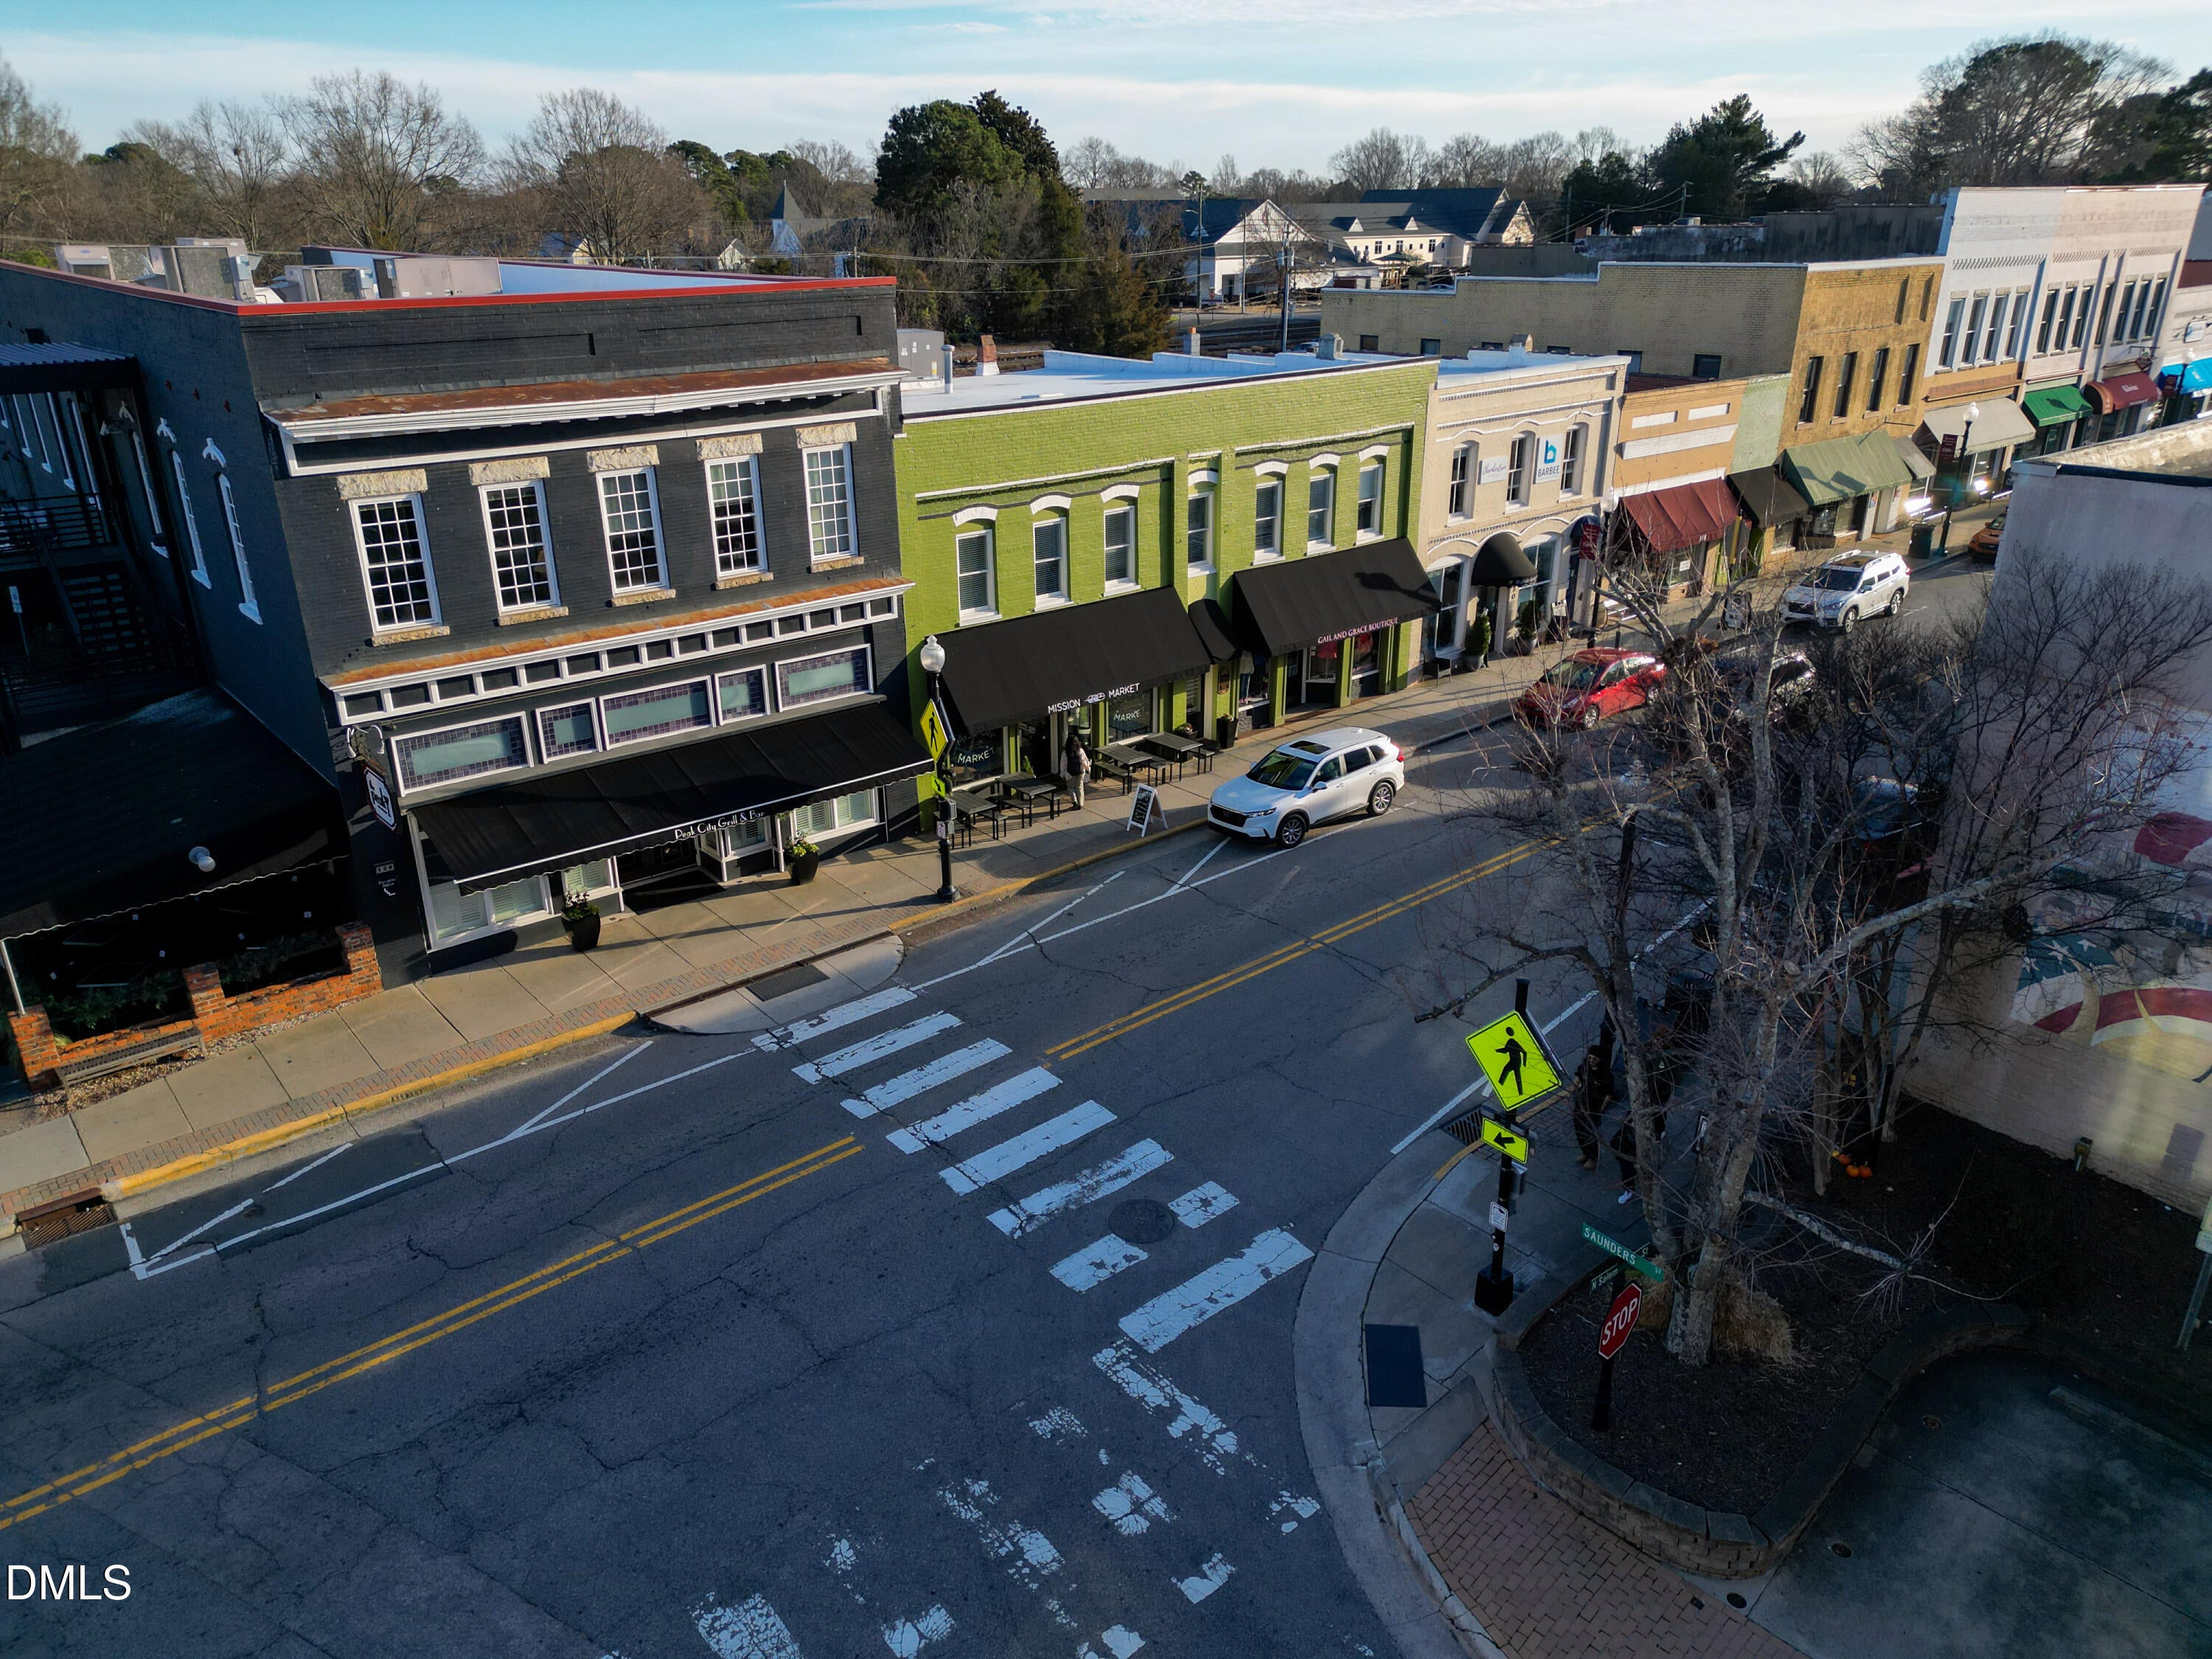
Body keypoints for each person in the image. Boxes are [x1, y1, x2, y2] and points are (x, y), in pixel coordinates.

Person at [1571, 1045, 1609, 1171]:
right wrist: (1572, 1090)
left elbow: (1609, 1094)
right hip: (1580, 1105)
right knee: (1580, 1131)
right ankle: (1585, 1153)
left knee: (1591, 1133)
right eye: (1590, 1057)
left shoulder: (1605, 1074)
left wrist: (1601, 1109)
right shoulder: (1584, 1068)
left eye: (1595, 1058)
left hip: (1593, 1108)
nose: (1592, 1060)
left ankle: (1593, 1157)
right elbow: (1578, 1079)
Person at [1062, 726, 1093, 808]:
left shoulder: (1065, 752)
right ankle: (1080, 804)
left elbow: (1063, 764)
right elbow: (1084, 761)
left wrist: (1063, 774)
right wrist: (1086, 769)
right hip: (1080, 772)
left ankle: (1074, 801)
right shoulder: (1080, 751)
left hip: (1070, 773)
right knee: (1080, 788)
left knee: (1071, 787)